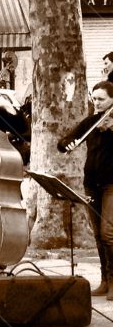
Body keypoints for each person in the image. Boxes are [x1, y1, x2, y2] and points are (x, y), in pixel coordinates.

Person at [59, 81, 113, 298]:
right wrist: (67, 144)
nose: (97, 103)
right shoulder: (91, 122)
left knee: (108, 233)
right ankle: (104, 279)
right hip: (91, 184)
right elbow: (64, 141)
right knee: (98, 236)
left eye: (101, 99)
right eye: (94, 98)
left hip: (112, 184)